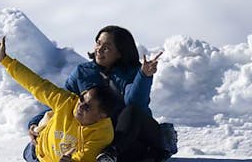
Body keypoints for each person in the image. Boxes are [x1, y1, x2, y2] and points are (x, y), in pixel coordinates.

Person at [27, 26, 172, 162]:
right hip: (101, 139)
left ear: (120, 52)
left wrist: (144, 76)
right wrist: (35, 123)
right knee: (35, 148)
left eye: (107, 47)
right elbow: (62, 102)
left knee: (132, 112)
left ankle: (152, 147)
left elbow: (134, 103)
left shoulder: (133, 72)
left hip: (133, 133)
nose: (99, 49)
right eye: (98, 43)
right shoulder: (83, 72)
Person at [0, 36, 119, 162]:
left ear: (102, 116)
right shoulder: (67, 101)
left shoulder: (102, 134)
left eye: (87, 107)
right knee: (46, 119)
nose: (80, 106)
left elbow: (82, 159)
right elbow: (36, 84)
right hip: (36, 153)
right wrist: (5, 60)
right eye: (82, 99)